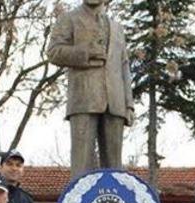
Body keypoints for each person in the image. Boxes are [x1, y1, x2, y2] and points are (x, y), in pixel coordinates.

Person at [47, 0, 134, 177]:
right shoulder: (69, 19)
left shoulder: (117, 28)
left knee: (114, 169)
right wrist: (85, 52)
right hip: (83, 100)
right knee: (81, 166)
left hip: (115, 103)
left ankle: (114, 200)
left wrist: (129, 104)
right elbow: (53, 52)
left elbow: (124, 65)